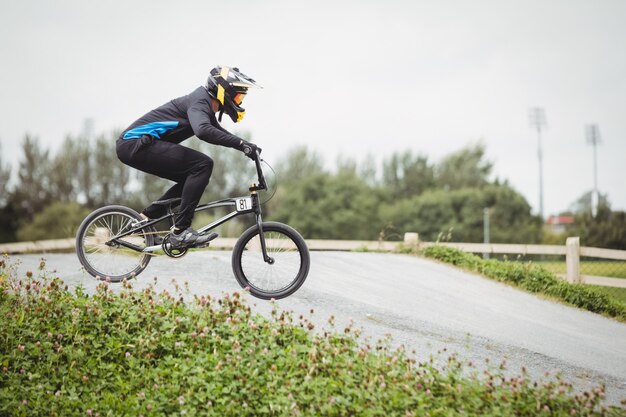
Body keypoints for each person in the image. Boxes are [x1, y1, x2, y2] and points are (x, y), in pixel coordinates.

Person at [116, 66, 261, 248]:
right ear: (224, 91)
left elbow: (217, 132)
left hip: (136, 146)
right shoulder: (200, 102)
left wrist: (247, 146)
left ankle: (143, 220)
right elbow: (203, 131)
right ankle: (180, 231)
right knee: (202, 165)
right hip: (135, 143)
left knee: (191, 178)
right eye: (238, 96)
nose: (239, 101)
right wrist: (241, 145)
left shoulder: (203, 104)